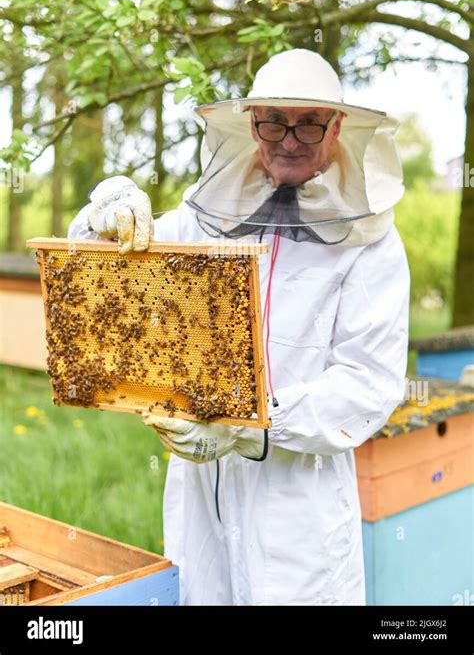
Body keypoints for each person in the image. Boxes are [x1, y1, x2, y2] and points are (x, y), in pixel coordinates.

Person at [68, 48, 410, 605]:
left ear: (338, 126)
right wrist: (108, 206)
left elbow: (367, 381)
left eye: (308, 123)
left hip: (299, 497)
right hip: (201, 489)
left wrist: (249, 427)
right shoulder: (210, 216)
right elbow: (99, 268)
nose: (289, 140)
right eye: (273, 121)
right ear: (251, 124)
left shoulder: (371, 244)